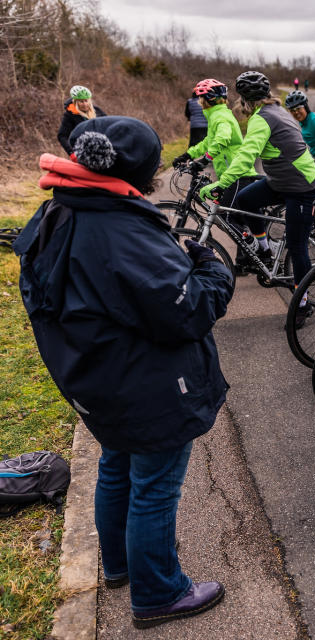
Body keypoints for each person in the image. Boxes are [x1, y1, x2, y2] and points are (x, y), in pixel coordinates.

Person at [14, 116, 234, 629]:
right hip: (145, 385)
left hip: (98, 378)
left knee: (117, 463)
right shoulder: (121, 227)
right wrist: (212, 269)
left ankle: (118, 565)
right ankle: (159, 592)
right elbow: (187, 310)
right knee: (155, 484)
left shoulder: (60, 210)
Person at [198, 71, 315, 306]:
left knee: (297, 248)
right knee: (246, 200)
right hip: (280, 181)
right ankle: (265, 250)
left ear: (245, 100)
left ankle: (303, 304)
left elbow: (246, 156)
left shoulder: (262, 118)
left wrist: (221, 183)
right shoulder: (273, 111)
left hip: (302, 187)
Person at [173, 79, 258, 214]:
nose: (199, 102)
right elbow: (209, 141)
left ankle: (254, 235)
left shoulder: (220, 116)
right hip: (231, 174)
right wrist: (188, 155)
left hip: (237, 174)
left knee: (227, 217)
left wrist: (205, 159)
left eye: (201, 98)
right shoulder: (217, 115)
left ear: (207, 100)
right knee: (228, 216)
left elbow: (222, 139)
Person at [57, 85, 106, 154]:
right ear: (75, 102)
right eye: (81, 102)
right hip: (82, 152)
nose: (85, 104)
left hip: (101, 150)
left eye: (86, 101)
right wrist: (71, 153)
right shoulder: (70, 115)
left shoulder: (98, 111)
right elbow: (62, 136)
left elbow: (108, 127)